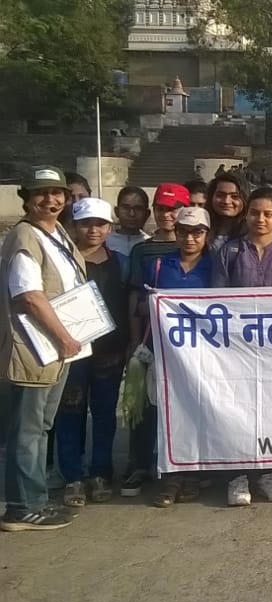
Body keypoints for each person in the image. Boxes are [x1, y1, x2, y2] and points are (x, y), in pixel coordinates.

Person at [1, 166, 86, 531]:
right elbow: (30, 297)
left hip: (56, 347)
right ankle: (23, 506)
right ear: (26, 198)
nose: (50, 200)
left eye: (57, 193)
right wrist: (65, 337)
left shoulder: (54, 233)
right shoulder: (25, 237)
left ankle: (33, 500)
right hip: (36, 345)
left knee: (40, 426)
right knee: (27, 429)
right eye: (41, 193)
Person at [213, 187, 272, 506]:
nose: (261, 219)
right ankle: (237, 475)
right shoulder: (229, 253)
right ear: (246, 215)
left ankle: (267, 473)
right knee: (237, 411)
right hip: (237, 349)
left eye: (268, 214)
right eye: (255, 213)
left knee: (271, 412)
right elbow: (217, 302)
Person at [53, 198, 130, 508]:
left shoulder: (122, 261)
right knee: (69, 413)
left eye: (100, 224)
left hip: (109, 352)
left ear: (109, 227)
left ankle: (101, 472)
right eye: (86, 223)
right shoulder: (62, 262)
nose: (93, 230)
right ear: (74, 226)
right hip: (72, 351)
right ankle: (72, 476)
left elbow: (129, 304)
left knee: (104, 413)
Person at [138, 207, 215, 508]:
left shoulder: (214, 267)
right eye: (183, 231)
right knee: (164, 413)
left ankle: (192, 473)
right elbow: (139, 305)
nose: (189, 238)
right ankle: (169, 476)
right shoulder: (159, 264)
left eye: (197, 232)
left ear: (206, 234)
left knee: (196, 411)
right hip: (165, 353)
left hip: (202, 355)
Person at [118, 183, 189, 498]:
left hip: (187, 346)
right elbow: (134, 295)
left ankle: (177, 467)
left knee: (180, 406)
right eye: (161, 209)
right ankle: (140, 464)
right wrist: (135, 341)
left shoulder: (197, 246)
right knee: (143, 404)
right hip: (151, 340)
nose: (167, 215)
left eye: (173, 209)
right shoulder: (142, 250)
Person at [106, 186, 152, 264]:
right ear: (116, 211)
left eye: (138, 208)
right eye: (126, 208)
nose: (131, 214)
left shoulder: (150, 245)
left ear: (147, 214)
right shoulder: (105, 243)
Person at [208, 172, 248, 253]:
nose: (226, 201)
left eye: (234, 196)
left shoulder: (252, 233)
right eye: (220, 195)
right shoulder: (201, 228)